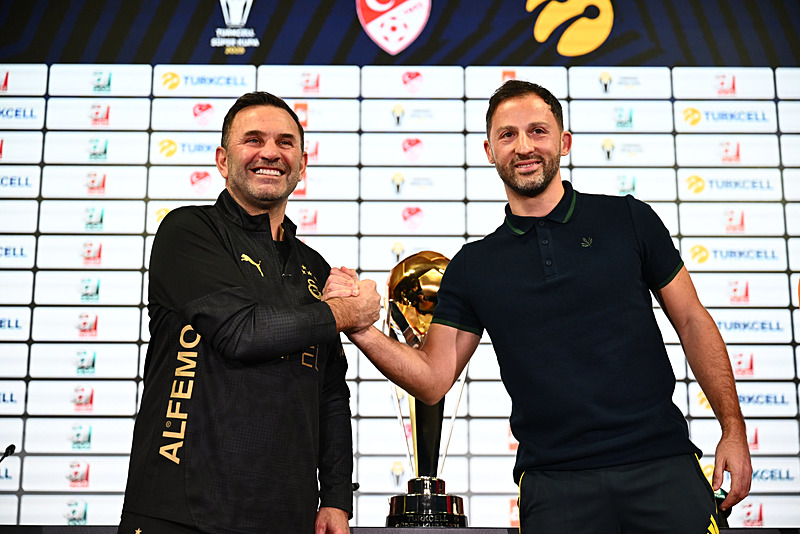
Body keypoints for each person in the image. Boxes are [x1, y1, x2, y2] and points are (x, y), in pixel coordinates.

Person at [325, 80, 752, 533]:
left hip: (662, 463)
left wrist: (733, 429)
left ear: (564, 142)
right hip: (553, 486)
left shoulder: (628, 218)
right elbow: (432, 382)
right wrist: (359, 327)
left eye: (538, 131)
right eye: (508, 135)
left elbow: (692, 320)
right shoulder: (474, 266)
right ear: (489, 151)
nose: (524, 146)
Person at [118, 91, 379, 534]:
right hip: (180, 513)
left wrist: (336, 497)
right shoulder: (189, 231)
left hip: (287, 516)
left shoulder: (315, 268)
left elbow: (330, 393)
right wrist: (344, 313)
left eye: (285, 142)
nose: (270, 153)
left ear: (302, 164)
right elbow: (243, 333)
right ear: (223, 161)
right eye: (253, 140)